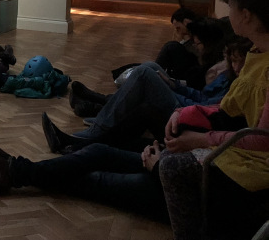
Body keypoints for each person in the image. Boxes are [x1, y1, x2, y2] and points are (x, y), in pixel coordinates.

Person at [158, 0, 269, 240]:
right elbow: (228, 108)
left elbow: (262, 140)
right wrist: (183, 113)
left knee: (172, 165)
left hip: (260, 160)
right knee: (175, 134)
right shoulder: (257, 52)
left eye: (230, 8)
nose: (227, 14)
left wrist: (201, 139)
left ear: (246, 15)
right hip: (245, 143)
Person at [49, 36, 251, 154]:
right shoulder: (229, 77)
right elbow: (200, 95)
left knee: (144, 74)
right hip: (191, 106)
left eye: (241, 62)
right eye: (233, 61)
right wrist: (173, 84)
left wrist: (172, 90)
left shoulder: (242, 86)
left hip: (188, 117)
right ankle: (104, 109)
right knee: (150, 67)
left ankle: (98, 125)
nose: (237, 67)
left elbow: (206, 108)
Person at [0, 134, 169, 220]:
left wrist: (160, 166)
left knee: (95, 178)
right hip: (173, 164)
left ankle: (14, 171)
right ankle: (15, 170)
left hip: (179, 191)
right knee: (99, 152)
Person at [154, 7, 201, 80]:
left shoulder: (199, 33)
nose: (178, 32)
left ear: (186, 22)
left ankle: (153, 74)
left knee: (171, 46)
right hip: (191, 66)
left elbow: (199, 53)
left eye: (178, 28)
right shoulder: (188, 37)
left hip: (197, 68)